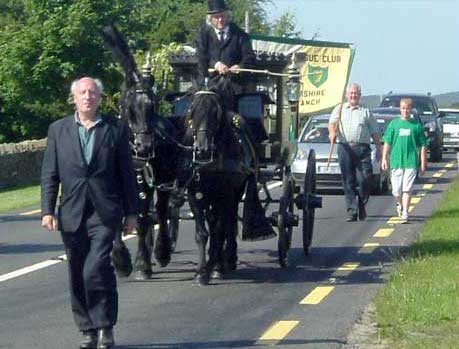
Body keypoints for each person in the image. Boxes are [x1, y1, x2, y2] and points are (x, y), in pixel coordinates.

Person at [41, 77, 138, 349]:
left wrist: (132, 213)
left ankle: (105, 326)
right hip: (71, 212)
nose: (87, 97)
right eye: (82, 93)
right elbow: (50, 173)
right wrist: (48, 209)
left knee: (95, 269)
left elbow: (127, 175)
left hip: (105, 213)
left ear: (100, 98)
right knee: (76, 271)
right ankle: (87, 330)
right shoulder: (58, 130)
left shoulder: (115, 129)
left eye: (92, 93)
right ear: (74, 98)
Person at [329, 83, 382, 222]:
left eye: (356, 93)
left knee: (365, 179)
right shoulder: (339, 109)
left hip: (362, 148)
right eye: (351, 93)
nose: (353, 96)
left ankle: (361, 200)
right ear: (347, 95)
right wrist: (332, 133)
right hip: (345, 147)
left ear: (360, 95)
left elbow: (375, 130)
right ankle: (352, 211)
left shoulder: (366, 111)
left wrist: (379, 148)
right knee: (348, 180)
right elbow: (332, 124)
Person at [382, 98, 428, 223]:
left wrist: (423, 162)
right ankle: (399, 204)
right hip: (396, 161)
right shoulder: (394, 124)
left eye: (407, 108)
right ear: (400, 109)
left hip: (411, 161)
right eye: (403, 108)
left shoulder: (416, 125)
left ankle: (405, 212)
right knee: (396, 190)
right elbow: (387, 142)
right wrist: (384, 158)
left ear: (411, 109)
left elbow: (423, 144)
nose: (405, 110)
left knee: (407, 188)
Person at [195, 0, 256, 94]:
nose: (220, 20)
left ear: (228, 16)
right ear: (210, 19)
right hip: (209, 85)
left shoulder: (241, 36)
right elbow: (201, 57)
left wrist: (240, 66)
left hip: (235, 86)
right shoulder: (203, 36)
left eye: (222, 16)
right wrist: (216, 64)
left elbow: (250, 58)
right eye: (216, 17)